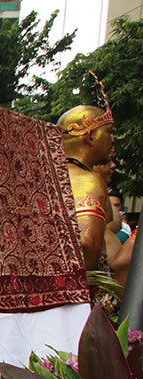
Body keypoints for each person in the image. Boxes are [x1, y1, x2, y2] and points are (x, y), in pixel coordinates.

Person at [58, 104, 114, 271]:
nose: (112, 140)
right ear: (90, 137)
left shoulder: (44, 173)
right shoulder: (89, 180)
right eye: (109, 132)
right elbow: (86, 243)